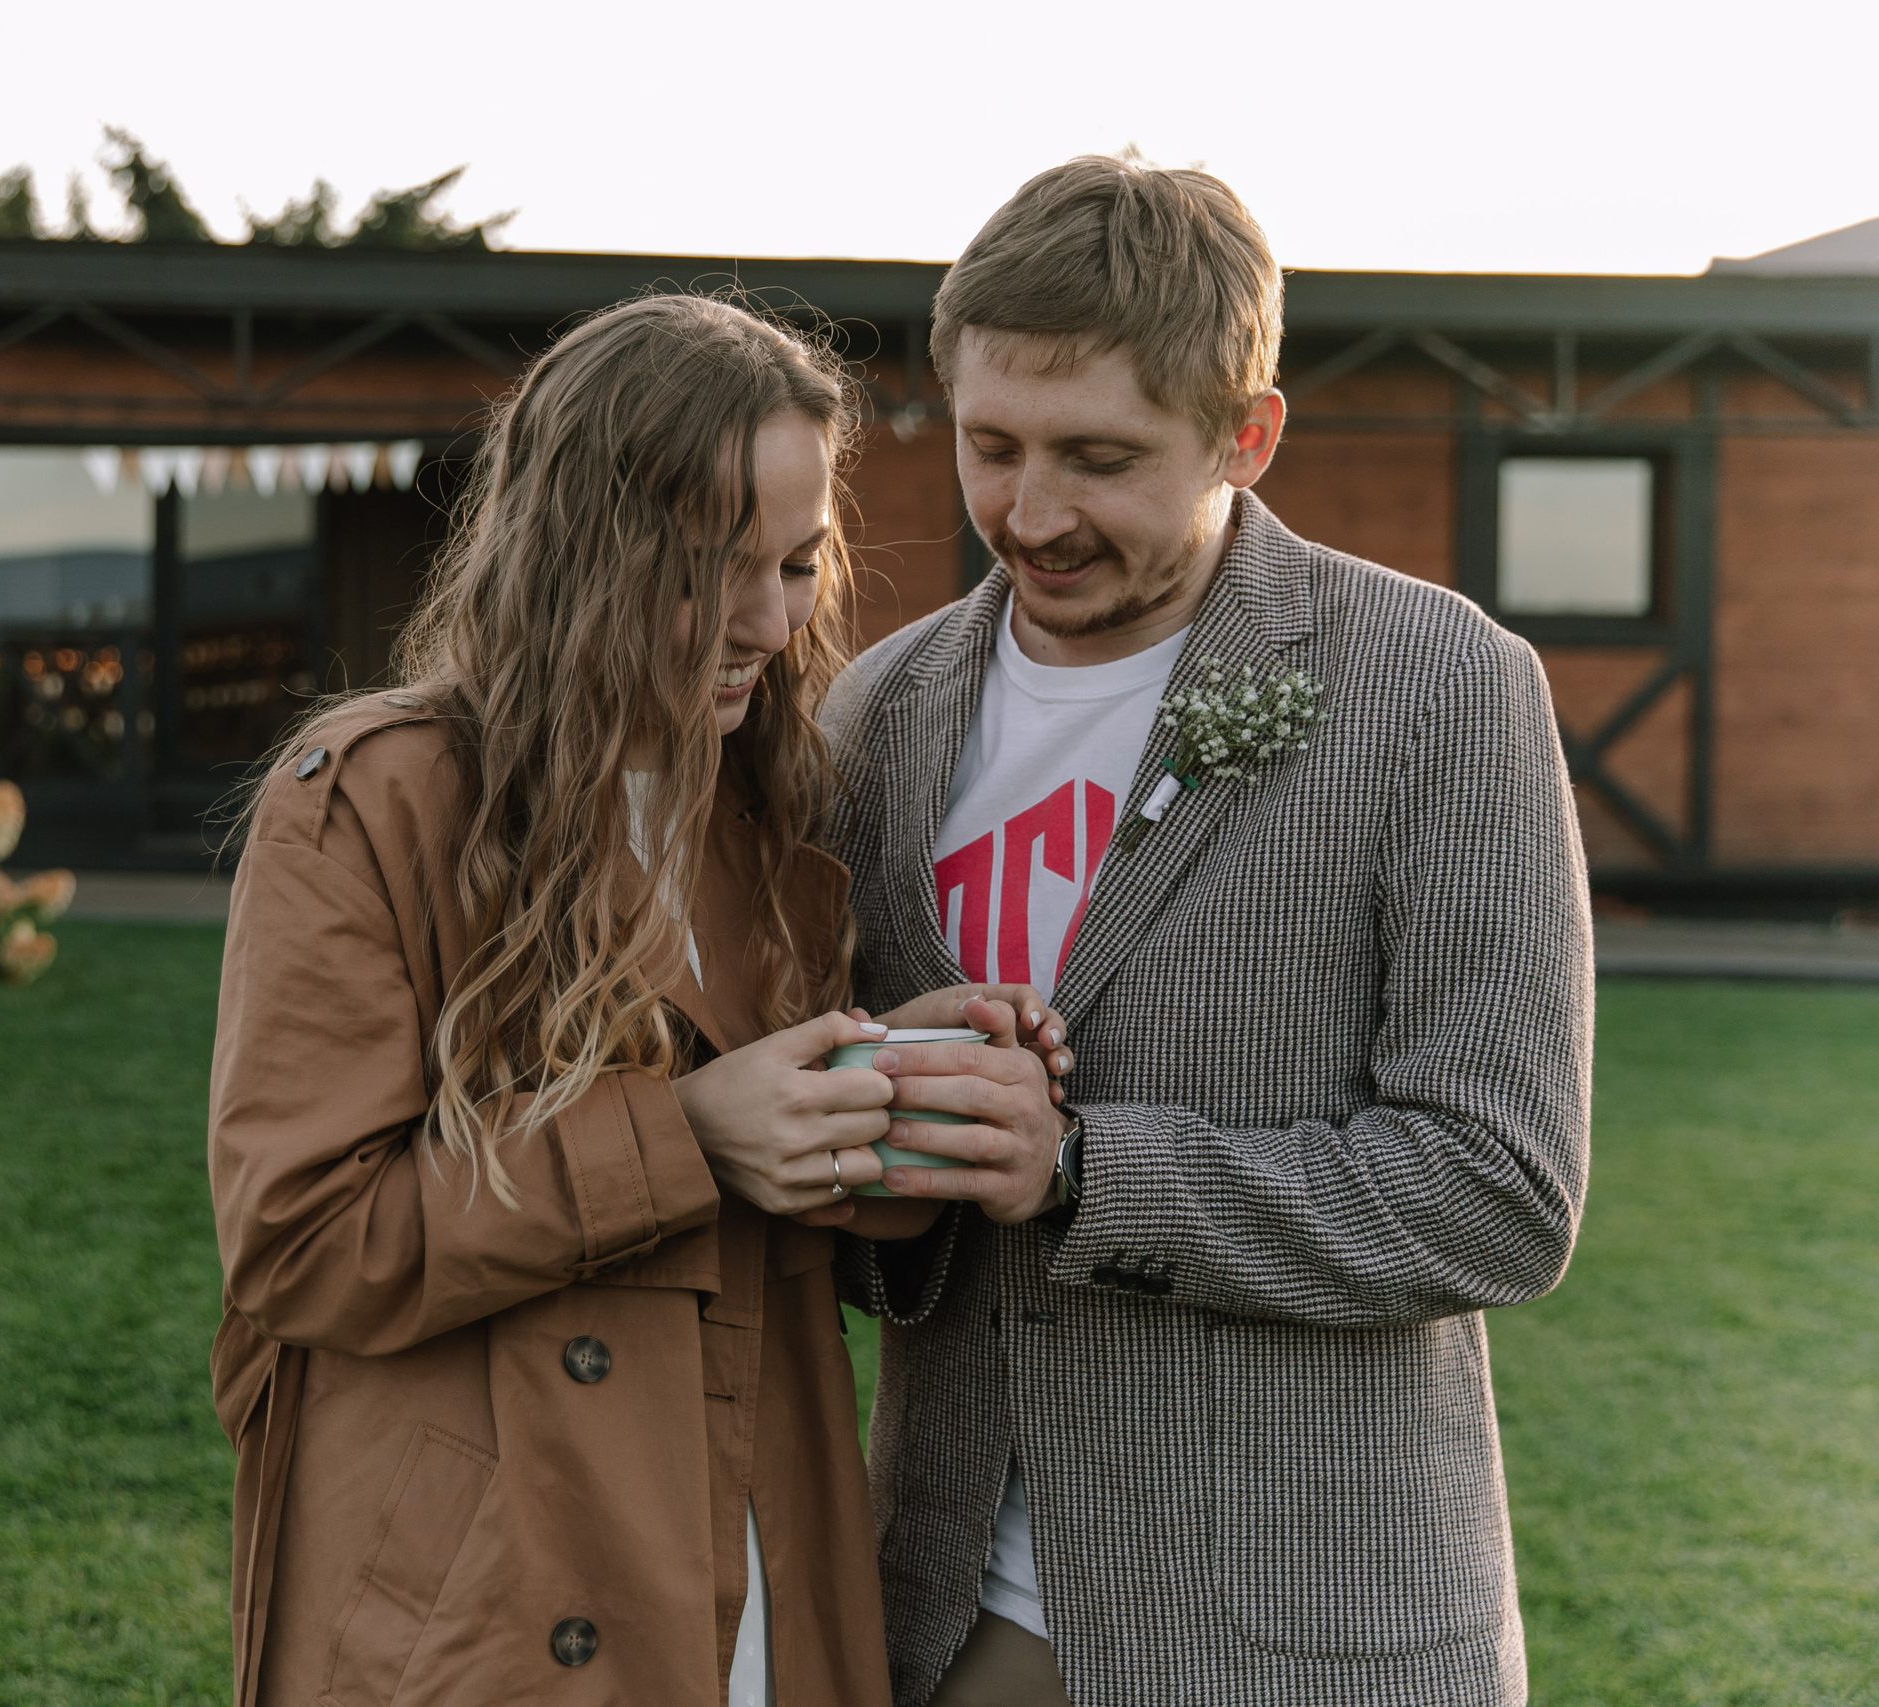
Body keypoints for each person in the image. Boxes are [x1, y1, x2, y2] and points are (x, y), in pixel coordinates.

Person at [816, 157, 1595, 1705]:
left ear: (1248, 435)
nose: (1030, 514)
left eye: (1099, 458)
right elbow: (852, 1234)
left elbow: (1502, 1192)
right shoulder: (874, 714)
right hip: (948, 1622)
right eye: (990, 445)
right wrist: (873, 1156)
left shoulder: (1444, 690)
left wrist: (1082, 1172)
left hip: (1306, 1635)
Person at [207, 294, 1049, 1707]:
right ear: (581, 549)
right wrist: (689, 1134)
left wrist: (901, 1094)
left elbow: (798, 1231)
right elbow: (306, 1244)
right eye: (713, 569)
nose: (770, 623)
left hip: (755, 1562)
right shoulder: (375, 803)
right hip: (490, 1595)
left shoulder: (777, 810)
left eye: (797, 564)